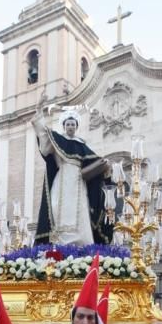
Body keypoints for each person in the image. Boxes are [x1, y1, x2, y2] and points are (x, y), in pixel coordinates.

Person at [32, 92, 113, 245]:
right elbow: (42, 132)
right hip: (61, 179)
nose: (70, 127)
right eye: (68, 124)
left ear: (76, 127)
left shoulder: (81, 145)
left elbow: (95, 160)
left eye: (73, 124)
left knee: (80, 209)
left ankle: (81, 242)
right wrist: (39, 108)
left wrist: (105, 166)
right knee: (57, 206)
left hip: (77, 181)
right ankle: (58, 241)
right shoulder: (57, 140)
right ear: (64, 126)